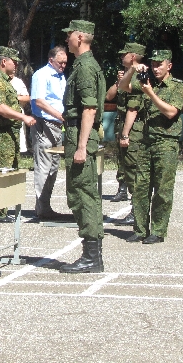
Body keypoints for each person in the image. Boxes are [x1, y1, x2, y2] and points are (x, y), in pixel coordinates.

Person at [123, 49, 183, 244]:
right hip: (146, 140)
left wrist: (149, 93)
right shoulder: (146, 81)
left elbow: (170, 112)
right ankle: (140, 229)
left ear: (169, 66)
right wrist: (133, 70)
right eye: (153, 64)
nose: (156, 68)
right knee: (140, 186)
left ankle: (158, 230)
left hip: (166, 142)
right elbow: (123, 86)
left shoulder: (176, 87)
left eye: (160, 64)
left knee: (162, 189)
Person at [58, 20, 106, 274]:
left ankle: (91, 256)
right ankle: (91, 254)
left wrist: (82, 146)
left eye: (69, 36)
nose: (67, 40)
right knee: (82, 194)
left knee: (83, 196)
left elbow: (89, 108)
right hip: (77, 131)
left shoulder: (85, 67)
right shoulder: (83, 65)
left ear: (79, 37)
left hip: (81, 134)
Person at [0, 46, 36, 218]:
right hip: (1, 134)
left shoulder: (5, 81)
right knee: (1, 173)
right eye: (14, 62)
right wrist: (23, 118)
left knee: (11, 172)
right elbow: (0, 108)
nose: (17, 65)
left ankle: (4, 210)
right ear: (4, 61)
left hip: (10, 133)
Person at [108, 42, 149, 227]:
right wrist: (119, 81)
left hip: (132, 129)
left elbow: (133, 109)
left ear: (132, 56)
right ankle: (137, 210)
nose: (120, 57)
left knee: (133, 171)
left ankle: (137, 211)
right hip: (124, 125)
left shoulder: (136, 78)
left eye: (124, 54)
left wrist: (125, 134)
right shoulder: (127, 77)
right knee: (126, 168)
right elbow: (109, 97)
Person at [30, 46, 67, 220]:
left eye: (66, 62)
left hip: (58, 126)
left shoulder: (61, 76)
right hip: (43, 125)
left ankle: (46, 205)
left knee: (54, 167)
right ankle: (41, 208)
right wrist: (59, 115)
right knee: (44, 167)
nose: (63, 65)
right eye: (60, 62)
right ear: (50, 60)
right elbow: (39, 101)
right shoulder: (41, 75)